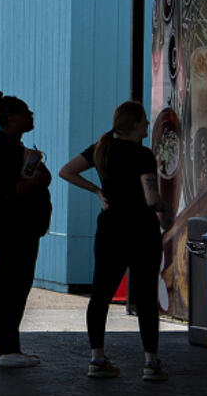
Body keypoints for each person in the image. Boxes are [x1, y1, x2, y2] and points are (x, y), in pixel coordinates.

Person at [58, 101, 169, 381]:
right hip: (141, 229)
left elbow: (66, 171)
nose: (147, 124)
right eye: (144, 120)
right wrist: (164, 215)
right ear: (135, 124)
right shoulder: (143, 154)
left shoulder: (101, 150)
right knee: (145, 296)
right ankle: (151, 363)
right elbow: (151, 197)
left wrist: (97, 190)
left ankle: (96, 358)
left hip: (110, 227)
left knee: (101, 293)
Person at [0, 91, 52, 368]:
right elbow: (4, 192)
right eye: (26, 111)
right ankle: (5, 349)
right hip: (10, 229)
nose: (31, 115)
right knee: (9, 287)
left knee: (15, 287)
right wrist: (36, 180)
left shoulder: (7, 145)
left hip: (20, 228)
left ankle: (10, 347)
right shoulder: (0, 146)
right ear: (11, 117)